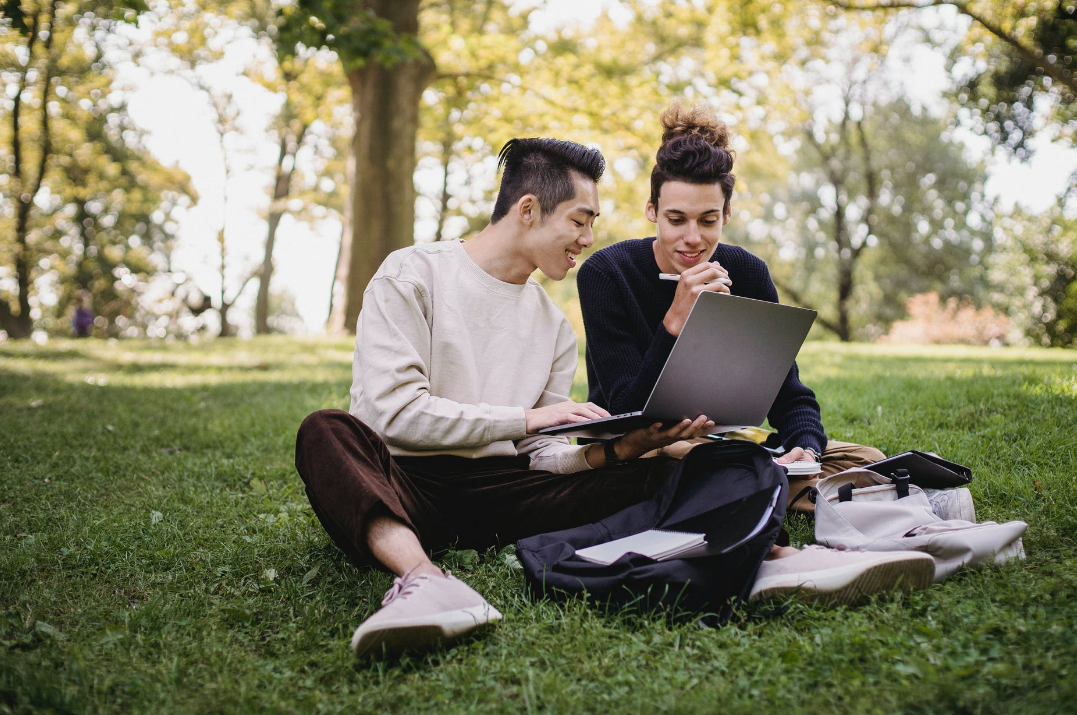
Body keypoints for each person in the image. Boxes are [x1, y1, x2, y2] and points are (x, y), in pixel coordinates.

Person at [295, 137, 934, 660]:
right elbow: (388, 413)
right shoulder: (413, 275)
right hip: (405, 479)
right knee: (327, 430)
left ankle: (776, 557)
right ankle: (425, 582)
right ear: (527, 210)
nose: (586, 238)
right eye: (579, 220)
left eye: (592, 223)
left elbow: (539, 457)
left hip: (508, 491)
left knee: (671, 463)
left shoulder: (550, 324)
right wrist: (531, 416)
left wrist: (618, 449)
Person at [577, 102, 886, 511]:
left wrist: (806, 453)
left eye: (708, 220)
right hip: (646, 450)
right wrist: (675, 321)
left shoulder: (749, 273)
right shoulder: (607, 273)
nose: (692, 238)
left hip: (728, 441)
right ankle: (831, 499)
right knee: (701, 463)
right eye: (676, 219)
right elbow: (625, 412)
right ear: (652, 211)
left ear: (726, 214)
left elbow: (790, 394)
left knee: (866, 460)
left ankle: (795, 485)